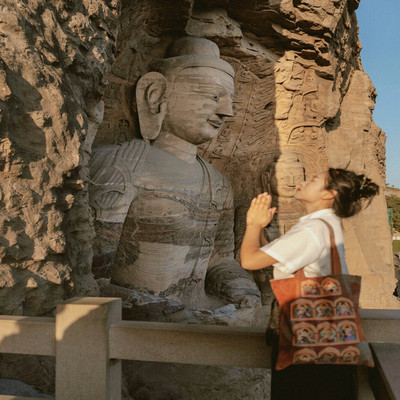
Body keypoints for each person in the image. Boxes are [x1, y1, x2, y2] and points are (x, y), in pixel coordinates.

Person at [89, 36, 261, 309]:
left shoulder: (218, 183)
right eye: (213, 96)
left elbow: (218, 260)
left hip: (198, 312)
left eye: (230, 101)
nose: (226, 112)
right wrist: (158, 310)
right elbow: (90, 276)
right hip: (140, 325)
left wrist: (243, 290)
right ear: (156, 95)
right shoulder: (121, 164)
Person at [240, 167, 379, 400]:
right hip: (328, 345)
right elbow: (275, 257)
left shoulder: (312, 230)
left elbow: (249, 260)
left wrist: (252, 225)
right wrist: (262, 228)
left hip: (306, 346)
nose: (303, 181)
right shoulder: (326, 225)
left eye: (314, 180)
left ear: (329, 194)